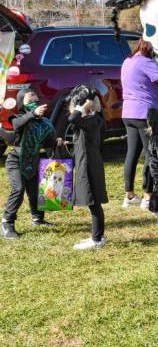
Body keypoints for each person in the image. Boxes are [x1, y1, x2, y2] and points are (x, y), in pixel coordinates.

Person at [120, 38, 158, 209]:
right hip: (145, 114)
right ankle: (148, 196)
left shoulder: (127, 62)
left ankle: (129, 195)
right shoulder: (146, 62)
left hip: (128, 112)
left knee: (132, 154)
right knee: (152, 156)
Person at [1, 87, 61, 239]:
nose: (34, 101)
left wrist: (55, 141)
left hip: (33, 160)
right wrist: (32, 114)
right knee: (19, 189)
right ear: (22, 103)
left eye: (36, 98)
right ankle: (7, 222)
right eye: (30, 99)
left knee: (35, 192)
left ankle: (38, 219)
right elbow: (16, 126)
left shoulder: (44, 123)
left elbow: (46, 142)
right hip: (16, 160)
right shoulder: (17, 118)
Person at [67, 86, 109, 250]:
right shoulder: (89, 120)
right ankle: (96, 235)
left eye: (74, 104)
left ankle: (97, 239)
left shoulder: (92, 120)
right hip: (87, 163)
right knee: (93, 202)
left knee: (94, 201)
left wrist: (84, 106)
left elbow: (72, 118)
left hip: (90, 166)